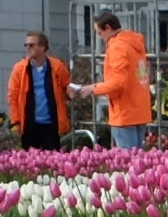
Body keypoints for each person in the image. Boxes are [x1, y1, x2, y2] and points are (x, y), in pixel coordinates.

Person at [79, 13, 153, 148]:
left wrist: (93, 88)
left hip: (124, 111)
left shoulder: (117, 46)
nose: (100, 38)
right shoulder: (135, 44)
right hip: (140, 110)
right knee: (137, 158)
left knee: (126, 160)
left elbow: (118, 82)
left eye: (100, 33)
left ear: (108, 28)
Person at [9, 31, 72, 149]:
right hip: (29, 124)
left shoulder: (57, 66)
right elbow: (13, 96)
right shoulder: (19, 69)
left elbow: (68, 87)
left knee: (54, 160)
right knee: (30, 162)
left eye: (32, 45)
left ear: (43, 47)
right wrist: (16, 121)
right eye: (26, 45)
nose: (28, 48)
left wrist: (71, 93)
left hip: (51, 124)